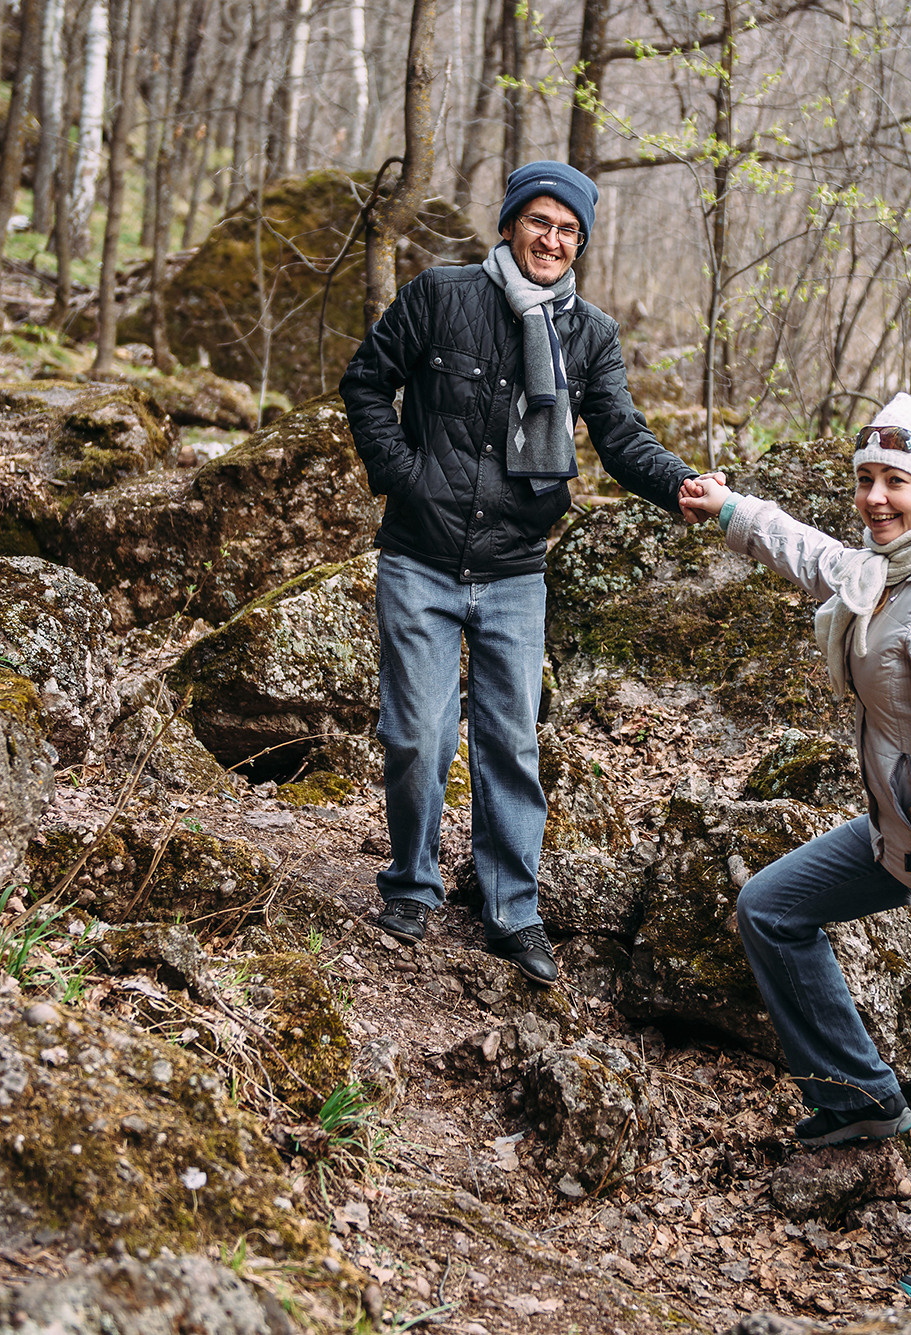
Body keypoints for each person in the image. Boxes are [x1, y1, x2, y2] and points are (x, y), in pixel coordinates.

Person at [678, 394, 911, 1308]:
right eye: (867, 479)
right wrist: (734, 511)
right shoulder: (895, 566)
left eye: (897, 482)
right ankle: (856, 1098)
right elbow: (823, 559)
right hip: (901, 832)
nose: (875, 498)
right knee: (772, 906)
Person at [339, 161, 711, 986]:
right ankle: (411, 885)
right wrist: (405, 473)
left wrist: (678, 483)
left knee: (510, 740)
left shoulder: (589, 333)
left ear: (580, 242)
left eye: (568, 229)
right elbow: (366, 382)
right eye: (540, 222)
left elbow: (619, 434)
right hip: (421, 556)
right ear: (510, 224)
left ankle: (511, 907)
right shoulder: (441, 296)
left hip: (514, 567)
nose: (553, 240)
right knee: (419, 736)